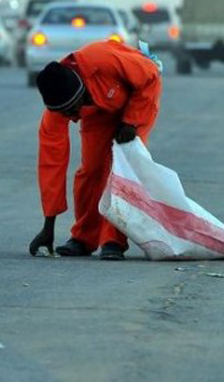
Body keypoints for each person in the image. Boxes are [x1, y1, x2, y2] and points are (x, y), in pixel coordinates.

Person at [28, 40, 162, 260]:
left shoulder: (103, 60)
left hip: (138, 100)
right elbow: (51, 166)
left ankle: (113, 240)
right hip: (98, 112)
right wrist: (48, 225)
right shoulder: (57, 110)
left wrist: (131, 121)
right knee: (90, 171)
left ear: (81, 91)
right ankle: (83, 238)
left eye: (73, 109)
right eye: (66, 113)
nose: (71, 115)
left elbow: (150, 76)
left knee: (119, 170)